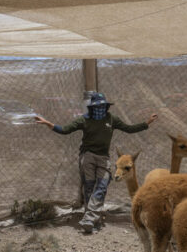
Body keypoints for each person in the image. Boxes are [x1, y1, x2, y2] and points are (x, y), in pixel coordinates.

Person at [35, 92, 157, 234]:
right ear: (92, 108)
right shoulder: (84, 120)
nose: (99, 109)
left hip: (103, 158)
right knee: (89, 187)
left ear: (106, 107)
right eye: (96, 106)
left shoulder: (111, 119)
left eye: (102, 106)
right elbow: (65, 130)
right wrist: (48, 124)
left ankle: (89, 218)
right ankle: (93, 221)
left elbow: (129, 129)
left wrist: (147, 123)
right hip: (87, 157)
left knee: (102, 185)